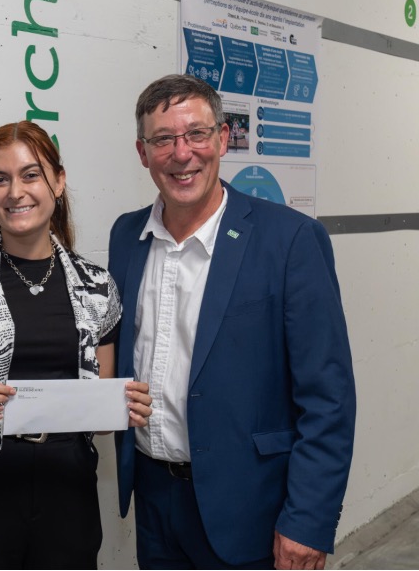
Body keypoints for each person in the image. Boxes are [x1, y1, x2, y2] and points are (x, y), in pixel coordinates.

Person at [109, 73, 356, 569]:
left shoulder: (290, 240)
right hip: (154, 499)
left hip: (250, 508)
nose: (182, 154)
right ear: (143, 153)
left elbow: (327, 398)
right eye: (163, 139)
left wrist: (307, 519)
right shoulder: (126, 235)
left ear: (223, 138)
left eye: (197, 134)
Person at [0, 121, 153, 569]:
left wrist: (124, 406)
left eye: (30, 175)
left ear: (58, 181)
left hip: (67, 487)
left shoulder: (97, 286)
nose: (15, 192)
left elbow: (101, 413)